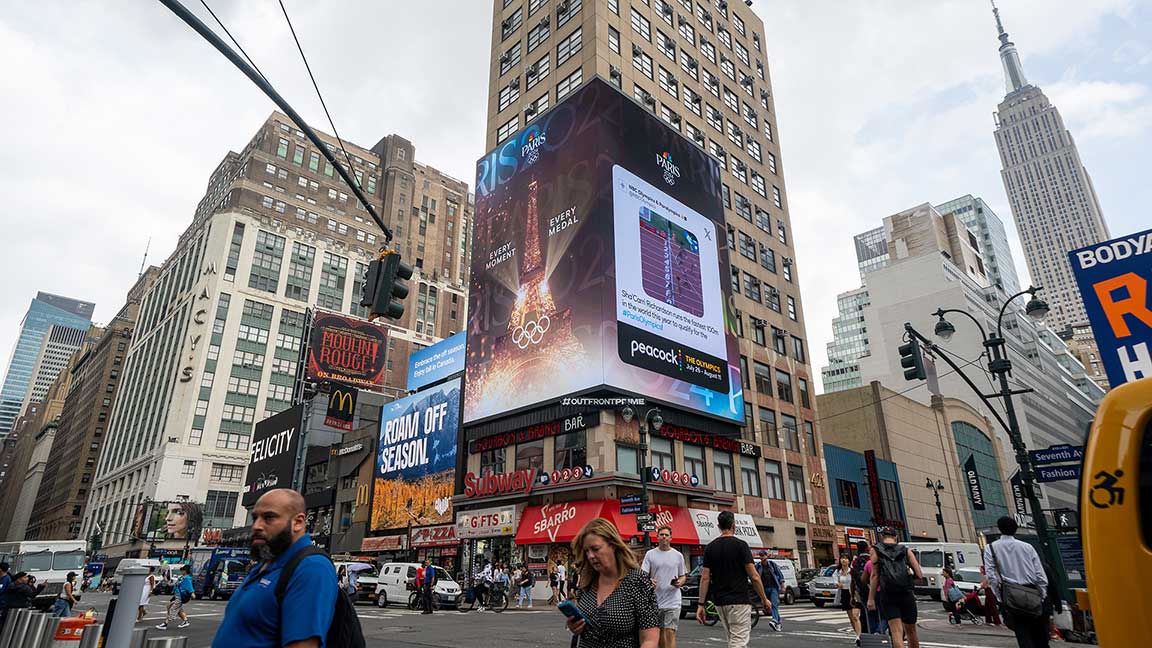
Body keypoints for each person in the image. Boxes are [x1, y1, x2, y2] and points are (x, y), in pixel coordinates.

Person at [209, 489, 338, 648]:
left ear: (297, 522)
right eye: (255, 518)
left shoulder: (312, 568)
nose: (256, 526)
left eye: (269, 517)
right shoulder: (264, 564)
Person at [565, 517, 659, 648]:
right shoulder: (586, 583)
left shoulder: (637, 581)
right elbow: (582, 626)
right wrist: (574, 627)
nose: (590, 556)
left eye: (595, 549)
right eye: (587, 551)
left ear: (613, 545)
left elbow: (650, 639)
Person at [695, 511, 772, 648]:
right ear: (733, 525)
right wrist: (764, 598)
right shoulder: (741, 545)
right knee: (738, 642)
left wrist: (701, 605)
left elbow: (705, 578)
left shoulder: (710, 548)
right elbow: (754, 576)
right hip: (739, 600)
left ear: (718, 526)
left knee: (733, 639)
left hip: (720, 602)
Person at [984, 516, 1050, 648]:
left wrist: (999, 596)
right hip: (1032, 590)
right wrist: (1042, 593)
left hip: (1010, 592)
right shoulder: (1028, 547)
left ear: (1000, 529)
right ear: (1015, 529)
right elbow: (1040, 574)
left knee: (1022, 632)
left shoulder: (991, 548)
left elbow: (991, 576)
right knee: (1040, 634)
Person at [868, 528, 923, 648]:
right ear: (896, 537)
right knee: (911, 631)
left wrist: (871, 598)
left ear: (882, 537)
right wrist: (907, 577)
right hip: (906, 593)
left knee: (896, 632)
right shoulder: (906, 550)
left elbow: (874, 575)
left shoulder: (875, 550)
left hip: (888, 594)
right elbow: (919, 574)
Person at [642, 525, 688, 648]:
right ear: (657, 537)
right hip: (655, 601)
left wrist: (680, 582)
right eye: (661, 534)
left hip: (673, 600)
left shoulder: (678, 556)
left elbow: (683, 576)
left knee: (670, 631)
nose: (664, 537)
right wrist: (649, 581)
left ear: (671, 538)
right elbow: (644, 575)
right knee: (660, 632)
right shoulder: (650, 554)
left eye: (666, 535)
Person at [157, 565, 194, 630]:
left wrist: (192, 594)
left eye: (182, 570)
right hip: (176, 595)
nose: (181, 571)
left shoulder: (187, 578)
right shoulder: (182, 577)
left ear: (185, 571)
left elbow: (190, 587)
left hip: (180, 596)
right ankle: (185, 621)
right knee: (171, 607)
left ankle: (165, 623)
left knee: (172, 609)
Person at [756, 551, 784, 631]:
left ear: (766, 556)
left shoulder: (772, 564)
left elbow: (780, 574)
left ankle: (774, 621)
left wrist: (782, 586)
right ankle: (778, 623)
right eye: (760, 556)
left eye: (763, 555)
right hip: (764, 589)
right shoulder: (758, 566)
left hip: (773, 588)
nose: (762, 557)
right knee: (768, 606)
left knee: (774, 604)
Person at [836, 555, 861, 641]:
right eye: (842, 558)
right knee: (851, 618)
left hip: (854, 593)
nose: (843, 560)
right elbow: (835, 581)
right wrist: (837, 584)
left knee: (855, 616)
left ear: (849, 561)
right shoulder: (837, 572)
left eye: (846, 558)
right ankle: (857, 635)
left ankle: (859, 635)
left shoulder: (852, 571)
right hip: (844, 593)